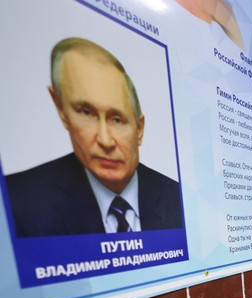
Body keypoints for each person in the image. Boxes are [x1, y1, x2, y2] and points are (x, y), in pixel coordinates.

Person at [4, 37, 183, 237]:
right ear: (61, 110)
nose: (105, 141)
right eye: (86, 113)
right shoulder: (16, 202)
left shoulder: (178, 198)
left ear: (140, 128)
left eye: (117, 119)